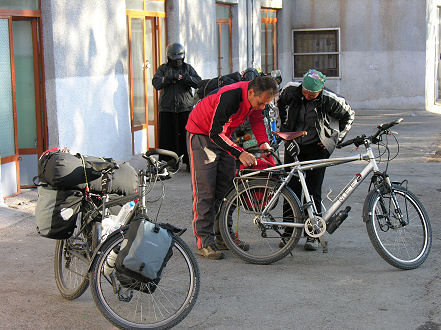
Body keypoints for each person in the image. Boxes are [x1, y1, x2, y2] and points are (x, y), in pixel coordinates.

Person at [186, 76, 279, 259]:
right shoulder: (230, 97)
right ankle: (204, 242)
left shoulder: (255, 100)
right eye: (261, 103)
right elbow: (214, 133)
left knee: (228, 189)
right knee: (205, 191)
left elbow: (257, 119)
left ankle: (222, 237)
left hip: (225, 136)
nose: (262, 107)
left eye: (266, 104)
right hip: (202, 135)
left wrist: (263, 143)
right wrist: (240, 153)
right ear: (251, 92)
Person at [277, 69, 355, 251]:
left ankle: (312, 233)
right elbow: (279, 103)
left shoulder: (330, 99)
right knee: (291, 190)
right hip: (293, 146)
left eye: (312, 94)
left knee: (313, 190)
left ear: (320, 90)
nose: (307, 96)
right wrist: (285, 127)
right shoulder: (290, 90)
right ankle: (288, 233)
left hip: (316, 149)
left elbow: (349, 115)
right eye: (305, 92)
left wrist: (334, 140)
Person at [152, 43, 201, 171]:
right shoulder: (163, 69)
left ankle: (189, 161)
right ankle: (167, 162)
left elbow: (198, 82)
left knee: (187, 138)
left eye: (179, 59)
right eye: (174, 59)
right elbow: (156, 83)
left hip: (185, 108)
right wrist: (169, 77)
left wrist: (186, 78)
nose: (177, 62)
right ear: (168, 58)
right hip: (167, 109)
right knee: (167, 138)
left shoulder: (188, 68)